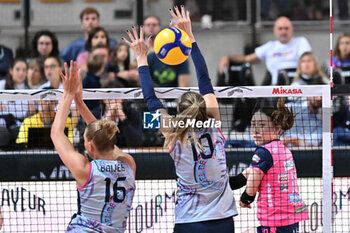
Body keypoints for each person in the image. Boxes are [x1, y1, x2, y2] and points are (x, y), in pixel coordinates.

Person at [123, 5, 237, 232]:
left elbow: (150, 98)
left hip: (189, 220)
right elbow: (205, 79)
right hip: (223, 220)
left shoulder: (172, 132)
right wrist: (190, 37)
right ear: (203, 107)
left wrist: (140, 58)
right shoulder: (215, 124)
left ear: (179, 109)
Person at [51, 61, 136, 232]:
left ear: (90, 146)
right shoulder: (129, 164)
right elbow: (106, 137)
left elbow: (56, 133)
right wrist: (80, 105)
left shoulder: (85, 169)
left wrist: (68, 93)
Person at [230, 98, 308, 233]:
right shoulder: (283, 149)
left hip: (275, 218)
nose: (255, 130)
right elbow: (252, 173)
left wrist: (246, 198)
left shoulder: (263, 152)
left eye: (261, 125)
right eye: (253, 125)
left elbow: (253, 180)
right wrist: (230, 183)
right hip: (291, 216)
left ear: (277, 128)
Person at [219, 16, 312, 85]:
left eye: (286, 28)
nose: (284, 32)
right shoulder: (269, 46)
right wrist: (227, 57)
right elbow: (247, 59)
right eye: (280, 29)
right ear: (274, 30)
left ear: (292, 30)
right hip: (274, 90)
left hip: (298, 87)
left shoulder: (301, 42)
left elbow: (308, 63)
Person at [143, 15, 190, 87]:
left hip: (174, 93)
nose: (151, 27)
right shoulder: (141, 51)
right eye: (148, 25)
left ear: (160, 27)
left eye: (154, 25)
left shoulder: (179, 55)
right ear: (143, 28)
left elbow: (183, 85)